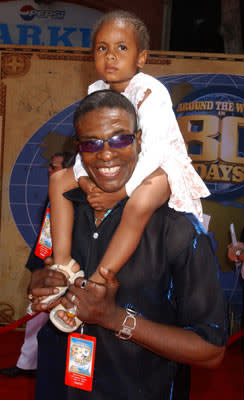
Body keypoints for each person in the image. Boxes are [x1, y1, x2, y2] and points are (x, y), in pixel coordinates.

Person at [29, 90, 227, 400]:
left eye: (120, 139)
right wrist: (43, 283)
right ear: (79, 149)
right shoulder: (65, 206)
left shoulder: (177, 227)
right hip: (59, 387)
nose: (106, 154)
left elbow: (211, 350)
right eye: (91, 143)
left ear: (138, 140)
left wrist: (114, 318)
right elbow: (47, 267)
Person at [45, 10, 210, 332]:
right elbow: (86, 142)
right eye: (102, 48)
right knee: (58, 178)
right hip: (117, 169)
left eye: (122, 48)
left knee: (140, 202)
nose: (110, 56)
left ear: (142, 57)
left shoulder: (150, 91)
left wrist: (121, 192)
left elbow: (155, 150)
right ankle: (64, 263)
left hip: (161, 170)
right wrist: (81, 178)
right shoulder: (96, 92)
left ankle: (96, 283)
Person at [0, 152, 74, 378]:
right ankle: (27, 364)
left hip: (69, 270)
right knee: (34, 316)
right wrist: (39, 267)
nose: (50, 171)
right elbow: (46, 236)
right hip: (46, 265)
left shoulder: (79, 196)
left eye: (55, 167)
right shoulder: (53, 195)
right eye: (50, 167)